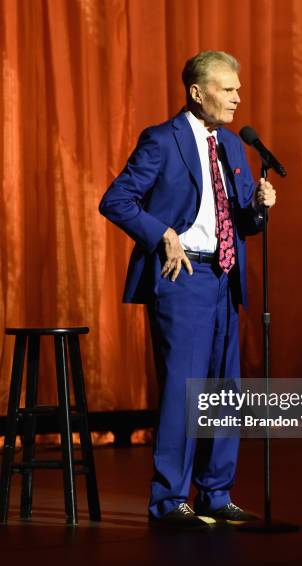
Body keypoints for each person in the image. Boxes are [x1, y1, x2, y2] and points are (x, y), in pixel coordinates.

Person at [99, 50, 276, 529]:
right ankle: (169, 500)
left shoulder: (234, 146)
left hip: (224, 278)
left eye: (238, 88)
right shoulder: (162, 139)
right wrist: (162, 233)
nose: (238, 97)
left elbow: (239, 220)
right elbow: (115, 200)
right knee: (184, 389)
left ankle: (215, 494)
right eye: (227, 88)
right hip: (183, 280)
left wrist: (259, 208)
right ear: (197, 93)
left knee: (223, 389)